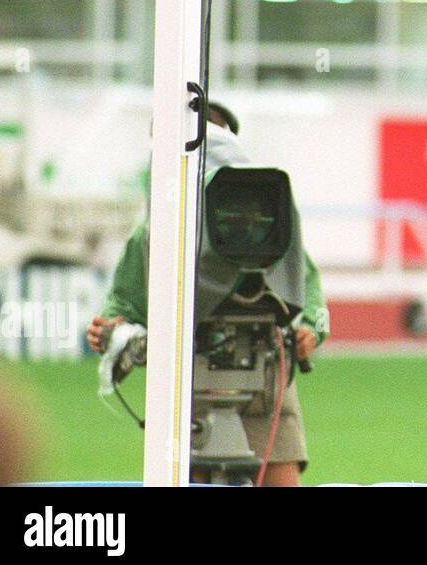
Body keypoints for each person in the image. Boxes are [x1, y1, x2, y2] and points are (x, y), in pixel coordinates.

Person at [86, 103, 329, 486]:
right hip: (189, 380)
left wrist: (309, 330)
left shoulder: (270, 220)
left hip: (265, 373)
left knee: (280, 481)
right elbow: (122, 305)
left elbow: (305, 285)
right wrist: (113, 329)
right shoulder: (154, 232)